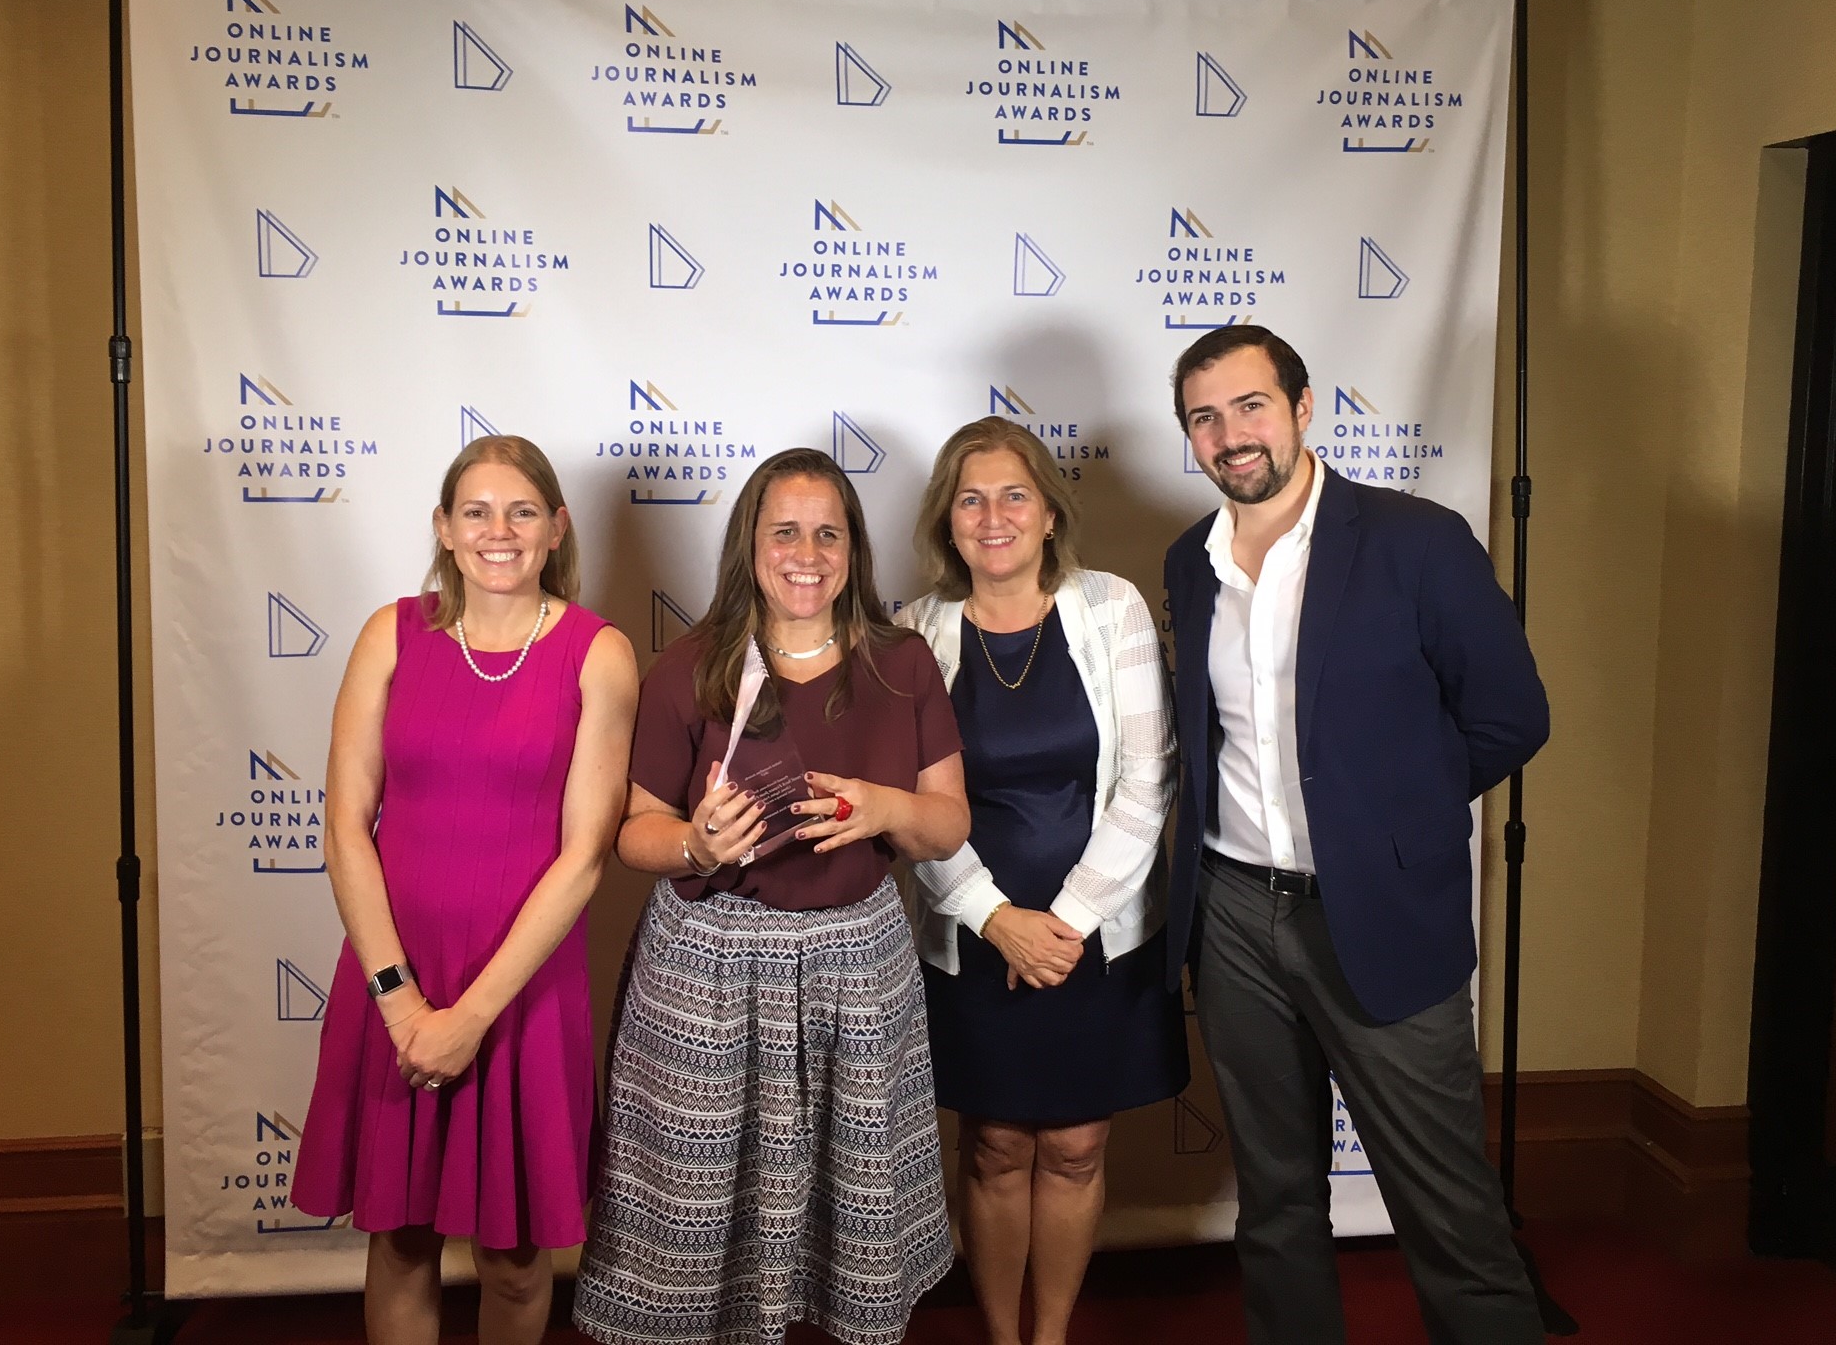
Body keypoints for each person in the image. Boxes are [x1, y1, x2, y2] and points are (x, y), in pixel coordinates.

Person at [1161, 325, 1551, 1345]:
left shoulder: (1417, 540)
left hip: (1380, 911)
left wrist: (1388, 825)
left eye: (1251, 405)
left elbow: (1511, 717)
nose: (1231, 434)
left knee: (1450, 1209)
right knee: (1275, 1201)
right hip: (1233, 915)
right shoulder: (1189, 563)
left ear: (1302, 408)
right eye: (1205, 417)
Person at [574, 447, 971, 1345]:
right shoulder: (690, 667)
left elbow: (948, 824)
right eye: (785, 532)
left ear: (854, 549)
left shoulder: (902, 662)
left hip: (858, 967)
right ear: (749, 546)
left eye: (829, 534)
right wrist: (694, 842)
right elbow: (634, 830)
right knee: (695, 1215)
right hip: (709, 971)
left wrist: (884, 809)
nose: (807, 554)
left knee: (851, 1214)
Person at [289, 435, 638, 1345]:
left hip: (521, 992)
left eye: (522, 512)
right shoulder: (391, 633)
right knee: (401, 1237)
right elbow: (345, 825)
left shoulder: (599, 654)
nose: (499, 532)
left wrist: (471, 1017)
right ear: (444, 528)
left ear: (557, 527)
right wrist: (401, 1002)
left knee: (515, 1259)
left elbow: (585, 856)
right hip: (396, 977)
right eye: (476, 512)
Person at [899, 418, 1187, 1345]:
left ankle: (1051, 1336)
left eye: (1015, 495)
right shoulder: (914, 632)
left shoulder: (1112, 607)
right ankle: (1001, 1336)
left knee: (1074, 1144)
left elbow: (1151, 777)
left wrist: (1065, 922)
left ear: (1051, 514)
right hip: (972, 926)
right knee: (992, 1146)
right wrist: (996, 919)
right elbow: (910, 805)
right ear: (948, 521)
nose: (994, 517)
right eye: (972, 499)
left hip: (1098, 929)